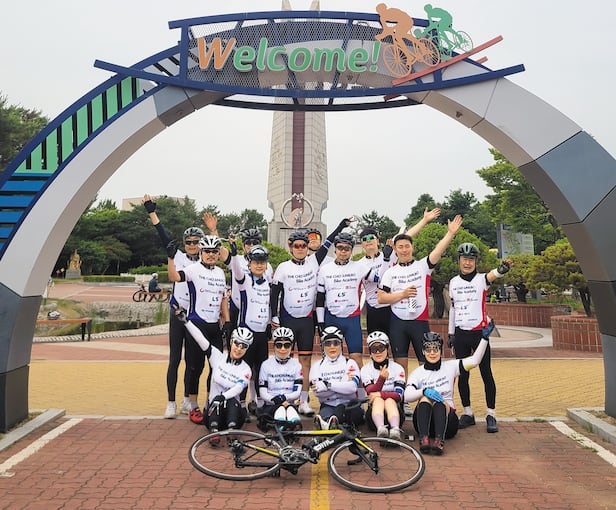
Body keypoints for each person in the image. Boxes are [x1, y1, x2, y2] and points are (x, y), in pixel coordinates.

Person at [270, 218, 352, 416]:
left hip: (306, 320)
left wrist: (341, 226)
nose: (300, 249)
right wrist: (274, 316)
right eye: (296, 246)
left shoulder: (314, 261)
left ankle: (304, 400)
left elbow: (328, 242)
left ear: (308, 247)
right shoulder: (283, 267)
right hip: (288, 319)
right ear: (290, 247)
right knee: (286, 361)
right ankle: (286, 399)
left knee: (305, 361)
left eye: (303, 246)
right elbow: (274, 294)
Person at [143, 194, 203, 419]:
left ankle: (187, 400)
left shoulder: (206, 261)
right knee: (175, 359)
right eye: (189, 242)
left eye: (196, 242)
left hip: (195, 316)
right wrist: (152, 212)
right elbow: (163, 235)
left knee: (192, 361)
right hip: (178, 312)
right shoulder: (177, 257)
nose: (192, 245)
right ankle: (170, 402)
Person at [377, 215, 463, 367]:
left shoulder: (423, 266)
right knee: (400, 367)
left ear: (413, 247)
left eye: (407, 246)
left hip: (419, 322)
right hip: (398, 323)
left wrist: (450, 233)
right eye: (400, 247)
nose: (404, 250)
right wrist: (402, 295)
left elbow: (438, 250)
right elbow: (381, 298)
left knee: (426, 365)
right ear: (395, 250)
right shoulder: (390, 272)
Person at [448, 242, 512, 433]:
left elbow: (493, 274)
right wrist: (451, 333)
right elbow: (453, 308)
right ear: (459, 260)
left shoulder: (481, 279)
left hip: (479, 334)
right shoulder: (453, 282)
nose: (467, 263)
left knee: (486, 373)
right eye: (464, 259)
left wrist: (502, 269)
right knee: (463, 375)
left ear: (475, 261)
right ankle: (468, 413)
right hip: (461, 333)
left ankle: (491, 414)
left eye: (471, 259)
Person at [167, 234, 231, 425]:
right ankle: (193, 406)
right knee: (196, 367)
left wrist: (227, 321)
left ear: (218, 253)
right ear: (201, 252)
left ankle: (211, 402)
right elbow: (174, 277)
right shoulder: (193, 269)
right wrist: (170, 258)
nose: (211, 255)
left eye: (214, 251)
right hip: (196, 324)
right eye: (207, 251)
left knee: (216, 368)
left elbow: (223, 299)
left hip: (214, 326)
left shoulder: (220, 273)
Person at [404, 331, 489, 455]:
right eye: (428, 349)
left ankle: (439, 441)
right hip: (425, 423)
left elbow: (475, 361)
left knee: (440, 402)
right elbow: (407, 396)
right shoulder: (417, 372)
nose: (432, 353)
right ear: (423, 351)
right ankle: (424, 439)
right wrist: (423, 391)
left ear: (441, 350)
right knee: (425, 398)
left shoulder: (451, 366)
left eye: (435, 349)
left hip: (447, 424)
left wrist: (484, 339)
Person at [359, 207, 441, 335]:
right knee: (376, 343)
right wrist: (386, 260)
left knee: (395, 342)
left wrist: (424, 220)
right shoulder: (359, 264)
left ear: (377, 240)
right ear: (362, 244)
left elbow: (406, 237)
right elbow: (379, 280)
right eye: (364, 239)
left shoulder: (390, 252)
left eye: (371, 237)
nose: (368, 240)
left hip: (392, 306)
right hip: (374, 309)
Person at [181, 313, 252, 445]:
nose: (239, 349)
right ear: (231, 342)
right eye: (237, 343)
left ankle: (232, 433)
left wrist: (223, 397)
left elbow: (238, 388)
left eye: (244, 346)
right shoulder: (217, 357)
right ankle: (214, 432)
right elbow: (201, 339)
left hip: (234, 414)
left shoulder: (246, 369)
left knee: (231, 401)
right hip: (214, 411)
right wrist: (186, 322)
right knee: (215, 401)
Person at [316, 232, 373, 369]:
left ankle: (359, 384)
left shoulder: (359, 267)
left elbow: (379, 279)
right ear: (335, 249)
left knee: (357, 358)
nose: (343, 251)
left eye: (347, 248)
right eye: (340, 247)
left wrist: (387, 258)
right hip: (332, 318)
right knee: (331, 359)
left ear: (351, 250)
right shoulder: (324, 270)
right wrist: (320, 322)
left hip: (352, 319)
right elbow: (320, 298)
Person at [234, 244, 272, 416]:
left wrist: (270, 324)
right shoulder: (245, 280)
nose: (259, 265)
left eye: (262, 262)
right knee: (245, 370)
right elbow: (236, 270)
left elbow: (268, 305)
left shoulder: (268, 283)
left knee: (261, 370)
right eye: (256, 262)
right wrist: (234, 253)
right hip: (246, 333)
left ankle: (260, 403)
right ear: (249, 264)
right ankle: (241, 404)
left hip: (261, 333)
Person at [309, 326, 363, 430]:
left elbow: (352, 388)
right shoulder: (316, 366)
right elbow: (318, 393)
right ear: (323, 346)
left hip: (349, 405)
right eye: (328, 343)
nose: (332, 347)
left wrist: (327, 385)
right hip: (327, 405)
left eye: (336, 343)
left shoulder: (350, 363)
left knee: (343, 413)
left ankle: (329, 424)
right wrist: (342, 383)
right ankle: (329, 424)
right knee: (328, 416)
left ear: (341, 345)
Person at [360, 331, 406, 440]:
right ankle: (380, 428)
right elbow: (370, 391)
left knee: (389, 400)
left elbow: (399, 395)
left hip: (396, 414)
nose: (378, 352)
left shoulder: (397, 368)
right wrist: (381, 379)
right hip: (373, 418)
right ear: (370, 352)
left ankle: (395, 430)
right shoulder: (365, 369)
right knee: (378, 400)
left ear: (387, 348)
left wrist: (381, 394)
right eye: (374, 349)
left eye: (381, 348)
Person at [257, 327, 303, 430]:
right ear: (274, 346)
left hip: (289, 404)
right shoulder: (266, 365)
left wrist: (284, 398)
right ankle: (282, 428)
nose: (283, 349)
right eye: (279, 345)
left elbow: (297, 392)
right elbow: (263, 392)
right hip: (271, 404)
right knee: (281, 410)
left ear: (291, 346)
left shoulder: (297, 365)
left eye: (287, 345)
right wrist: (277, 401)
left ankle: (295, 426)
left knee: (290, 410)